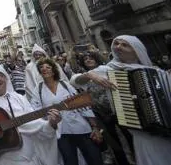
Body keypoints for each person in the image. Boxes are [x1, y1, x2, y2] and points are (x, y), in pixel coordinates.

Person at [71, 35, 171, 165]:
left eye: (124, 45)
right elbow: (74, 81)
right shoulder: (111, 69)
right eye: (116, 44)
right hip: (143, 134)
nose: (118, 46)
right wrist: (90, 75)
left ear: (136, 50)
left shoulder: (156, 72)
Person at [31, 58, 103, 165]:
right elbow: (35, 111)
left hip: (80, 127)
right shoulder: (38, 89)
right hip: (60, 133)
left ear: (53, 70)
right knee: (70, 161)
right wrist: (48, 123)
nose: (44, 69)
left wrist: (94, 127)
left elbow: (83, 105)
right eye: (41, 67)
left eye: (48, 67)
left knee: (94, 159)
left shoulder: (65, 84)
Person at [77, 51, 131, 165]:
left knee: (128, 136)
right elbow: (75, 81)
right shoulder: (84, 77)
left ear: (96, 59)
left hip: (118, 109)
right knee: (114, 142)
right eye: (85, 59)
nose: (88, 60)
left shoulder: (106, 69)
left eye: (91, 58)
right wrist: (89, 75)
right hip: (102, 114)